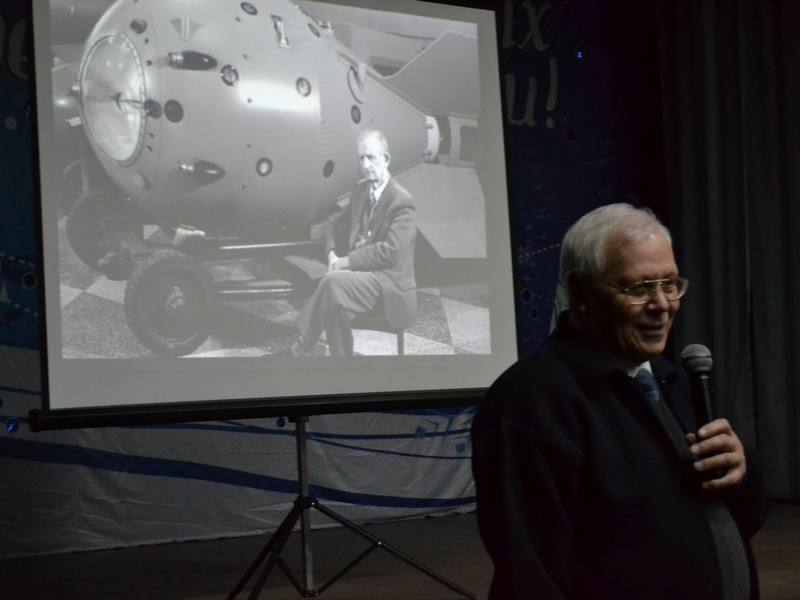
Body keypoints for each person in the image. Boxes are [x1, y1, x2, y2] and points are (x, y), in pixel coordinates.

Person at [471, 203, 769, 599]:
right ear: (581, 293)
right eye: (639, 288)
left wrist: (741, 476)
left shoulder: (671, 379)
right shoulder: (532, 401)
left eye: (670, 284)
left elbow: (734, 519)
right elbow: (531, 570)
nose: (662, 304)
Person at [292, 129, 416, 356]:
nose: (366, 164)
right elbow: (334, 223)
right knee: (333, 302)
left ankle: (301, 345)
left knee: (331, 284)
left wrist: (346, 262)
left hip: (387, 285)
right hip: (359, 280)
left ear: (386, 159)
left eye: (371, 157)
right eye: (361, 158)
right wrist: (331, 253)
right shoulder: (361, 190)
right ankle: (343, 365)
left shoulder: (402, 201)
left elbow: (391, 252)